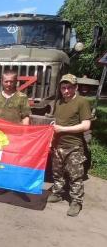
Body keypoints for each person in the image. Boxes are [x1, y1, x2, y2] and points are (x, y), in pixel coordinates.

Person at [48, 74, 91, 217]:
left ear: (75, 87)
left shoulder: (82, 102)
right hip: (58, 145)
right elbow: (60, 121)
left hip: (74, 146)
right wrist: (55, 127)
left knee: (75, 176)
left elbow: (86, 125)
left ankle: (76, 201)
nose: (66, 91)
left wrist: (62, 129)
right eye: (63, 88)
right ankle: (58, 193)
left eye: (69, 88)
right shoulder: (59, 103)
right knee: (57, 173)